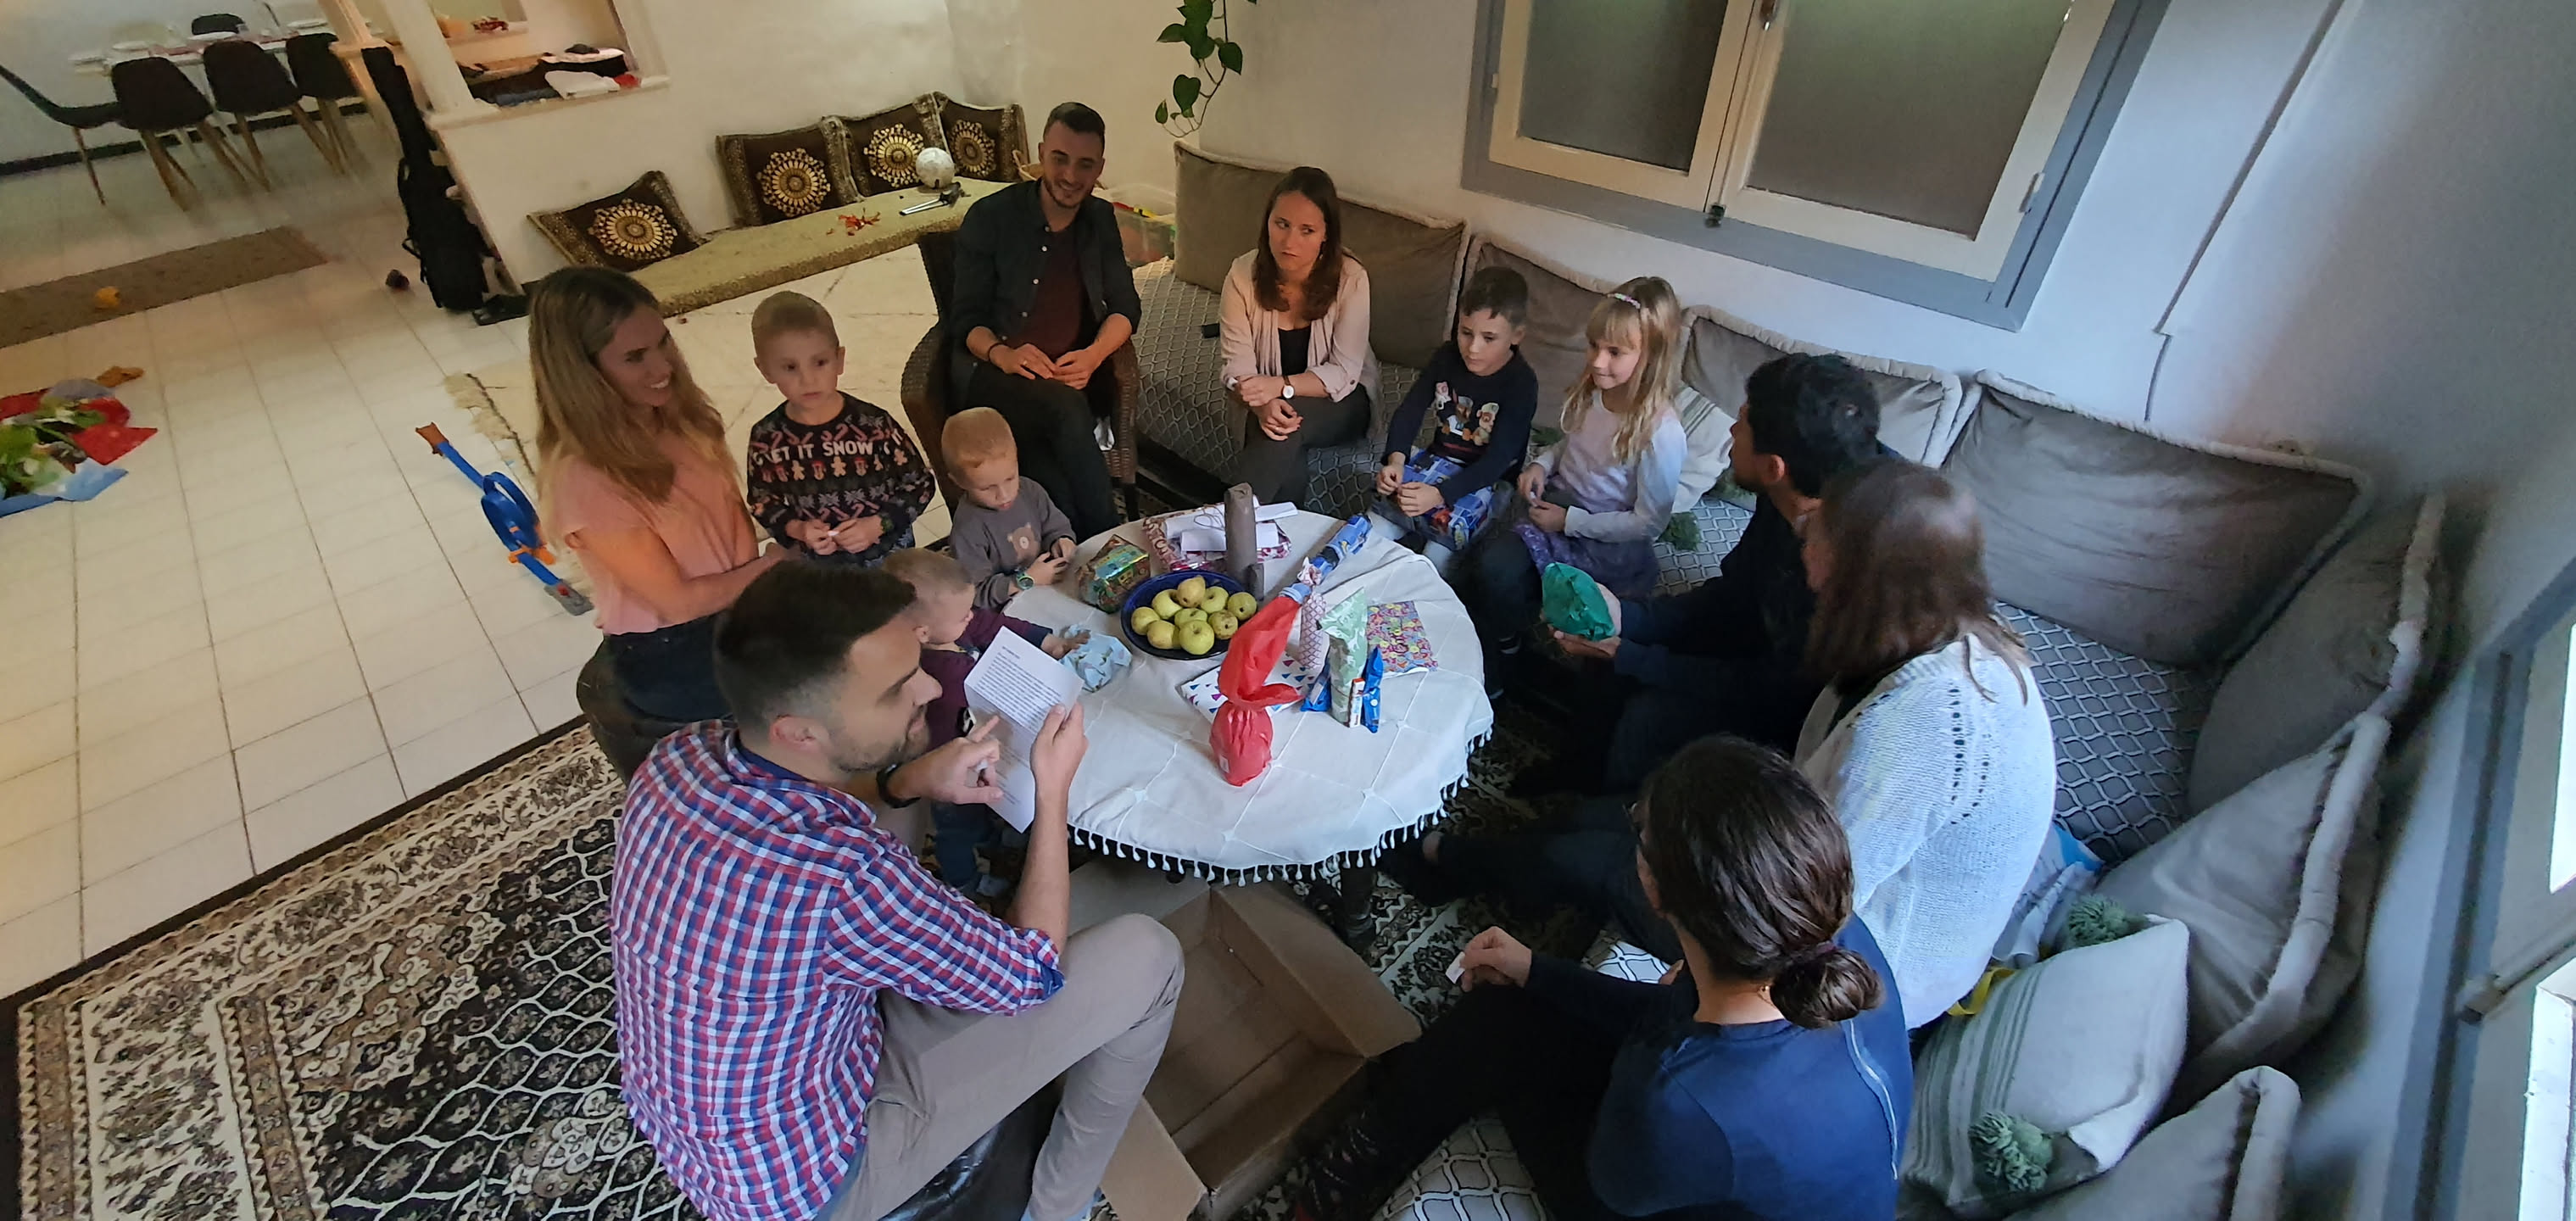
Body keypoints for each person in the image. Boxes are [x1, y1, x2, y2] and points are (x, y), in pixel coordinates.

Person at [612, 560, 1183, 1221]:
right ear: (799, 731)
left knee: (900, 815)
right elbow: (1031, 973)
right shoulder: (842, 874)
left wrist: (904, 781)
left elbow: (818, 819)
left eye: (916, 662)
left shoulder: (680, 755)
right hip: (811, 1183)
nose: (928, 690)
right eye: (894, 690)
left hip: (708, 1121)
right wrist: (1051, 790)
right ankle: (1059, 1206)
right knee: (1151, 958)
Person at [1293, 736, 1911, 1221]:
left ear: (1656, 891)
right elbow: (1680, 1025)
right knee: (1508, 1010)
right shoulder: (1832, 940)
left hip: (1637, 1188)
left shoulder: (1678, 1099)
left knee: (1496, 1040)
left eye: (1639, 833)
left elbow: (1615, 1181)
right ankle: (1389, 1113)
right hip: (1720, 1160)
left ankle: (1367, 1147)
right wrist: (1537, 970)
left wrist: (1591, 1032)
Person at [1536, 353, 1888, 792]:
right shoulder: (1802, 482)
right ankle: (1577, 775)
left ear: (1773, 467)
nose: (1731, 432)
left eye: (1742, 423)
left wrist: (1630, 656)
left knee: (1648, 716)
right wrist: (1629, 618)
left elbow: (1766, 690)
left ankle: (1619, 815)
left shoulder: (1845, 567)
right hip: (1750, 640)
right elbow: (1732, 596)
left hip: (1784, 709)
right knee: (1608, 651)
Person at [1792, 459, 2056, 1028]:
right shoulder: (1947, 631)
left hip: (1872, 979)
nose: (1803, 530)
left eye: (1818, 528)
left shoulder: (1919, 728)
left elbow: (1808, 903)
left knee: (1604, 863)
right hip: (1838, 888)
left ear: (1859, 575)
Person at [533, 266, 782, 722]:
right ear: (582, 374)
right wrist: (773, 566)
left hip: (741, 602)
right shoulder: (584, 478)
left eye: (663, 342)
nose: (663, 368)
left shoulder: (674, 414)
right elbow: (678, 603)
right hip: (674, 649)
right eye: (635, 357)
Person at [1465, 276, 1687, 674]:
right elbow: (1573, 443)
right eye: (1594, 346)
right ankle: (1506, 648)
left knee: (1588, 628)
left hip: (1605, 539)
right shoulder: (1596, 389)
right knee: (1494, 567)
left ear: (1651, 354)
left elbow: (1650, 522)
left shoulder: (1661, 431)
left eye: (1614, 352)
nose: (1597, 361)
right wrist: (1542, 464)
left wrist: (1571, 522)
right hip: (1558, 511)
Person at [951, 101, 1137, 539]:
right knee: (1065, 408)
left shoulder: (1100, 219)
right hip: (995, 377)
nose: (1070, 175)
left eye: (1085, 164)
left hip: (1067, 382)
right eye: (1059, 159)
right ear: (1040, 154)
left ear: (1099, 169)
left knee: (1056, 491)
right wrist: (1004, 355)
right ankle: (1113, 544)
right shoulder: (990, 217)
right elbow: (964, 321)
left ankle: (1075, 550)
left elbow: (1127, 307)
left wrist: (1093, 356)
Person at [880, 547, 1084, 897]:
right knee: (957, 829)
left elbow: (990, 624)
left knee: (986, 807)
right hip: (949, 768)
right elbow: (989, 697)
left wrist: (1045, 640)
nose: (971, 618)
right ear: (923, 633)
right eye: (963, 616)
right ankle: (964, 881)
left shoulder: (950, 629)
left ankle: (993, 840)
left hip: (976, 752)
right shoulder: (938, 675)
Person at [1364, 265, 1537, 576]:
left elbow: (1498, 461)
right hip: (1438, 461)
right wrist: (1396, 461)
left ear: (1517, 336)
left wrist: (1439, 495)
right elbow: (1410, 410)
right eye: (1465, 332)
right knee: (1371, 531)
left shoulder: (1521, 383)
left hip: (1489, 481)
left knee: (1434, 559)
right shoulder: (1446, 356)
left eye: (1489, 338)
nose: (1473, 348)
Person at [743, 290, 935, 567]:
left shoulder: (874, 424)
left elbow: (920, 484)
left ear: (839, 359)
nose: (808, 379)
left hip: (891, 557)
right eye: (790, 367)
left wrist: (878, 525)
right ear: (765, 370)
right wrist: (798, 530)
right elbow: (762, 500)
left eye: (820, 363)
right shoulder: (766, 438)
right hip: (822, 568)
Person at [1222, 166, 1378, 506]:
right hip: (1272, 397)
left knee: (1282, 421)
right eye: (1282, 224)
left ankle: (1228, 524)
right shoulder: (1241, 276)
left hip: (1344, 401)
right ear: (1267, 222)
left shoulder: (1351, 278)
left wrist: (1279, 388)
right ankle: (1269, 531)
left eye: (1307, 230)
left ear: (1326, 236)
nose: (1290, 242)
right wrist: (1262, 405)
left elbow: (1344, 373)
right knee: (1278, 426)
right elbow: (1236, 368)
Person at [942, 406, 1078, 611]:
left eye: (1010, 478)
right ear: (959, 482)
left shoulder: (1030, 490)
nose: (1004, 495)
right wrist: (1026, 580)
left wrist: (1062, 540)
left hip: (1046, 588)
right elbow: (977, 593)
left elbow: (1056, 526)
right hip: (1007, 607)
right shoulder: (967, 530)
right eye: (987, 488)